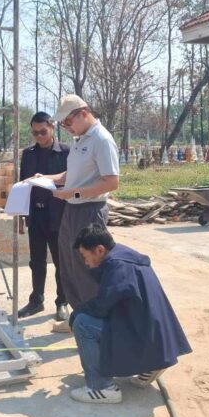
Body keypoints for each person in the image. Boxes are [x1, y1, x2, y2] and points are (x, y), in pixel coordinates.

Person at [68, 225, 192, 404]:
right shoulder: (126, 255)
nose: (85, 262)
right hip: (155, 338)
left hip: (143, 336)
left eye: (85, 256)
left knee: (83, 323)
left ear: (100, 250)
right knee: (88, 317)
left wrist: (76, 313)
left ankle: (101, 387)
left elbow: (102, 307)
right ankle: (152, 363)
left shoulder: (117, 266)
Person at [37, 94, 120, 332]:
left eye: (68, 121)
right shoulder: (80, 140)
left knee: (88, 267)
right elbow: (70, 175)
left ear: (83, 113)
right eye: (63, 123)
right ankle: (79, 318)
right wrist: (45, 178)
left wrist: (73, 193)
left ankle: (94, 323)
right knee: (69, 265)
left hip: (89, 211)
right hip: (72, 210)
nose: (66, 127)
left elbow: (111, 182)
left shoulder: (101, 140)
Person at [18, 112, 71, 321]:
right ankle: (36, 300)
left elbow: (71, 181)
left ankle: (62, 302)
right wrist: (21, 216)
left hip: (58, 215)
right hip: (36, 215)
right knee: (36, 260)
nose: (39, 136)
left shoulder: (66, 153)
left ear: (52, 128)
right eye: (35, 133)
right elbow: (23, 185)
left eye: (43, 132)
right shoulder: (28, 154)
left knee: (61, 261)